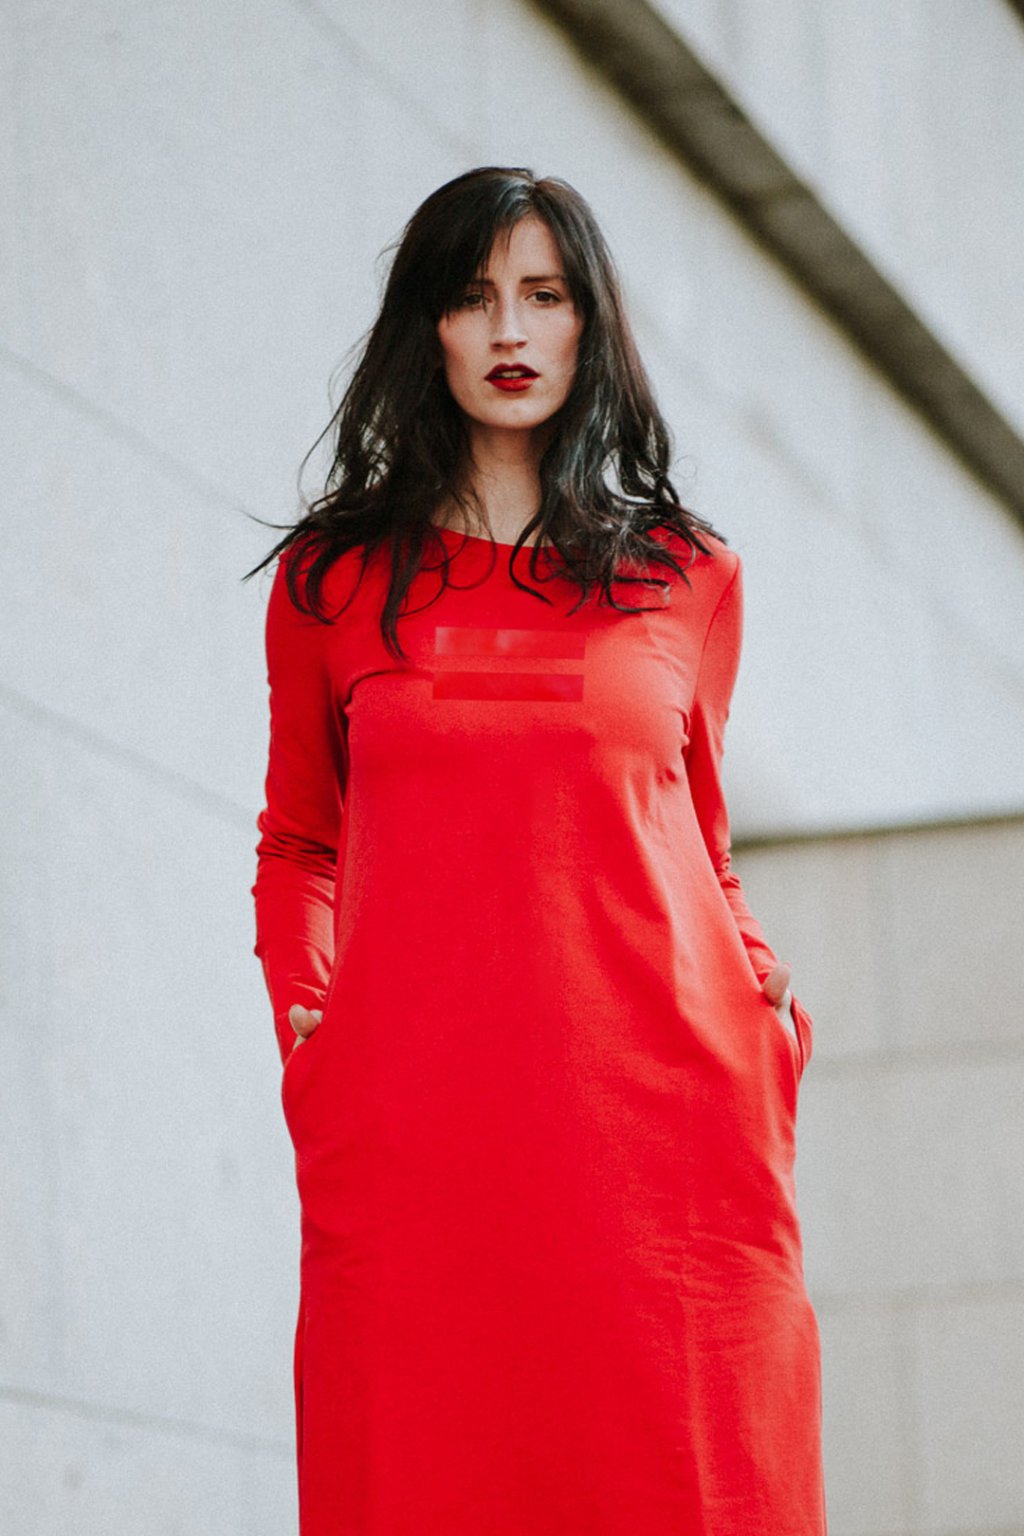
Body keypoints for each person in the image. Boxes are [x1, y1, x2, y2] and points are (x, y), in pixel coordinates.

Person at [245, 165, 826, 1535]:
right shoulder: (332, 582)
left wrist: (758, 996)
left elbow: (696, 840)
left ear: (588, 325)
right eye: (474, 295)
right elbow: (300, 841)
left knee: (681, 1473)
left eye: (544, 295)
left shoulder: (689, 577)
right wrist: (310, 1024)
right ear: (428, 327)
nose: (510, 329)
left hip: (659, 1118)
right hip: (418, 1121)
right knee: (421, 1470)